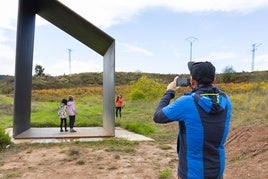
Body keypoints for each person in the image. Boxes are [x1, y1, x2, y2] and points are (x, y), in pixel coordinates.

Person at [153, 61, 232, 179]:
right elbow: (209, 96)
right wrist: (198, 88)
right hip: (217, 171)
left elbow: (158, 116)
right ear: (214, 80)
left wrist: (170, 91)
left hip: (191, 173)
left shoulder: (186, 102)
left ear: (192, 80)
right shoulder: (226, 101)